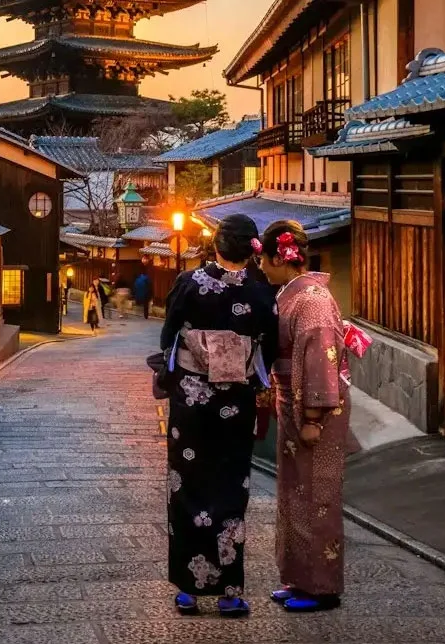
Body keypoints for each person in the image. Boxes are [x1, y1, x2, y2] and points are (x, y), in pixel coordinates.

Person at [158, 214, 277, 618]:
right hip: (235, 403)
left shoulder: (189, 283)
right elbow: (269, 348)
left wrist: (180, 369)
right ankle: (230, 592)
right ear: (251, 249)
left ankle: (188, 591)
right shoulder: (261, 292)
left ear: (216, 244)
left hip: (192, 401)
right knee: (229, 488)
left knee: (187, 485)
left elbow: (169, 336)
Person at [258, 220, 358, 613]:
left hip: (315, 409)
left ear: (278, 258)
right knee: (295, 492)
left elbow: (320, 361)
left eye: (263, 261)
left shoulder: (312, 300)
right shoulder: (293, 293)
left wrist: (314, 416)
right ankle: (298, 577)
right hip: (293, 402)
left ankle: (322, 587)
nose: (261, 269)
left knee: (317, 496)